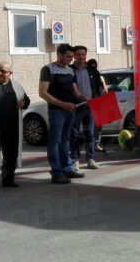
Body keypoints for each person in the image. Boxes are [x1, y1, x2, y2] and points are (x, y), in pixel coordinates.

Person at [39, 43, 86, 184]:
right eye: (69, 56)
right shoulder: (47, 69)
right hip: (57, 111)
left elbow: (75, 92)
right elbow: (43, 93)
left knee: (65, 140)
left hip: (71, 110)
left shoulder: (70, 71)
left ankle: (67, 168)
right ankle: (56, 171)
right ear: (59, 54)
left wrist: (86, 99)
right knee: (55, 141)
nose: (71, 59)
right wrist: (62, 104)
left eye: (72, 57)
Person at [70, 46, 99, 171]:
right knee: (74, 134)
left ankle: (90, 159)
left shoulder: (92, 69)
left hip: (90, 106)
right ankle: (75, 160)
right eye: (79, 55)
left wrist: (101, 92)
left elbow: (99, 84)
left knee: (90, 133)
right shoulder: (70, 70)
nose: (81, 57)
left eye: (83, 54)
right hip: (75, 106)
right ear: (74, 56)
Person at [87, 58, 108, 152]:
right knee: (91, 126)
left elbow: (105, 91)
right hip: (90, 102)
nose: (93, 67)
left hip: (99, 103)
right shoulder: (87, 75)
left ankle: (96, 144)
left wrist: (103, 82)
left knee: (98, 125)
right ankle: (93, 145)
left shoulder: (99, 76)